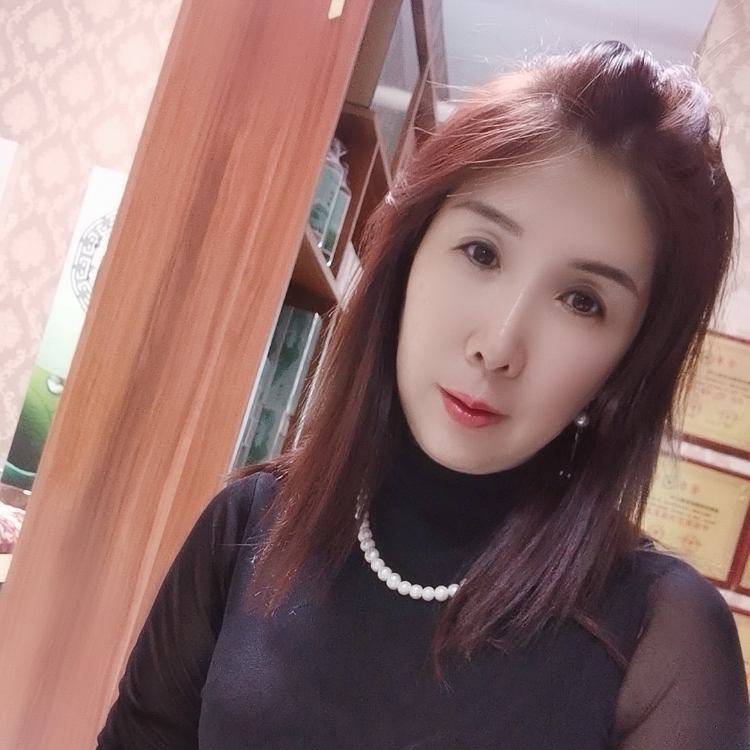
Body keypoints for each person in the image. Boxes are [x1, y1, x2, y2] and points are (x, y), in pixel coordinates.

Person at [97, 41, 749, 749]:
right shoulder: (249, 526)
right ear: (409, 254)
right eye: (482, 252)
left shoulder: (662, 643)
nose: (498, 345)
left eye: (582, 301)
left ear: (629, 361)